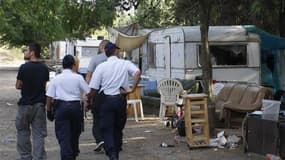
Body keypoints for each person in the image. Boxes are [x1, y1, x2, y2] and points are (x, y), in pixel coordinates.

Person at [89, 42, 141, 160]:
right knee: (118, 128)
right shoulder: (125, 63)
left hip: (106, 101)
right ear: (116, 52)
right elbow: (137, 73)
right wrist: (132, 89)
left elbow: (94, 88)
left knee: (107, 128)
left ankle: (112, 153)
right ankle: (116, 150)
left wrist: (88, 98)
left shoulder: (101, 67)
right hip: (120, 99)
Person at [46, 55, 90, 160]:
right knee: (75, 132)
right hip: (75, 107)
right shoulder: (78, 77)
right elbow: (88, 91)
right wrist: (88, 103)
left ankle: (67, 156)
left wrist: (48, 110)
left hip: (61, 108)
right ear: (73, 65)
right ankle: (73, 152)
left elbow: (49, 96)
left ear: (63, 65)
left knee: (63, 134)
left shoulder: (57, 79)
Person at [15, 42, 49, 160]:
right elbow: (45, 86)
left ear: (32, 53)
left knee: (23, 131)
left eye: (26, 50)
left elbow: (18, 85)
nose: (25, 52)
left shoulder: (24, 67)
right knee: (38, 134)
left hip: (25, 104)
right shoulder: (44, 68)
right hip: (39, 105)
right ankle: (38, 157)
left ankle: (25, 156)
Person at [85, 40, 109, 152]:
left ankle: (100, 139)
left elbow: (89, 76)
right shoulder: (117, 60)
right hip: (112, 93)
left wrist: (88, 91)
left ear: (101, 47)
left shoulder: (95, 59)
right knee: (110, 117)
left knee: (97, 117)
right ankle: (112, 140)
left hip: (98, 92)